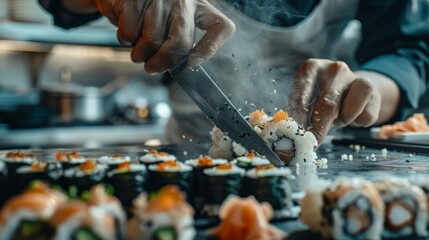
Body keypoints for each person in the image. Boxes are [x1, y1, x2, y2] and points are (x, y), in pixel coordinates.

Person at [39, 0, 429, 147]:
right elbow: (63, 6)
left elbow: (407, 50)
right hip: (191, 149)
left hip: (316, 149)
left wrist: (368, 91)